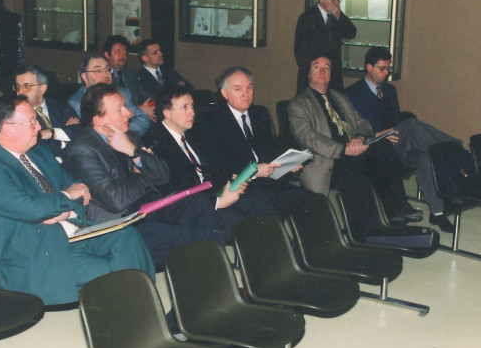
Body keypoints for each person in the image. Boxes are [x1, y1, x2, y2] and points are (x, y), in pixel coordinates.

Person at [0, 94, 154, 305]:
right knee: (117, 272)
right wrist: (64, 197)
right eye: (31, 122)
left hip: (74, 231)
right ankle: (137, 314)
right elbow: (33, 209)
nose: (38, 127)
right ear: (7, 128)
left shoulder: (40, 153)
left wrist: (60, 210)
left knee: (126, 235)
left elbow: (80, 188)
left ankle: (143, 309)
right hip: (36, 251)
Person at [62, 84, 228, 265]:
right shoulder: (82, 150)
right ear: (99, 120)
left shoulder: (128, 137)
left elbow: (163, 175)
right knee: (183, 235)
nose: (129, 113)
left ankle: (218, 271)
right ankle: (208, 276)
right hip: (119, 221)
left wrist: (132, 150)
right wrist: (140, 175)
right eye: (120, 109)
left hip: (146, 206)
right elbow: (116, 200)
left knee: (197, 203)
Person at [288, 56, 421, 223]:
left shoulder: (340, 97)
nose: (322, 71)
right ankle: (367, 225)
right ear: (308, 73)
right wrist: (344, 149)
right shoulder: (298, 104)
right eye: (317, 67)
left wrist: (359, 137)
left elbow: (362, 123)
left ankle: (397, 207)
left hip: (356, 149)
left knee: (384, 148)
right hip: (329, 159)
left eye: (327, 68)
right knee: (357, 168)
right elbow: (309, 138)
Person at [344, 46, 460, 232]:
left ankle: (437, 213)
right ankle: (456, 151)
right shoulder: (351, 93)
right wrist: (378, 135)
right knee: (412, 124)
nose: (385, 73)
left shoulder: (389, 91)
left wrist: (393, 133)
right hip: (374, 146)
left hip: (395, 142)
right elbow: (352, 128)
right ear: (368, 67)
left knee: (425, 157)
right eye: (381, 69)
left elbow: (396, 121)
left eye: (387, 69)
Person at [151, 85, 275, 237]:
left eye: (192, 106)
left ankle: (284, 252)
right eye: (184, 107)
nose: (192, 112)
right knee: (243, 224)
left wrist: (232, 181)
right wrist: (218, 202)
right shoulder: (155, 144)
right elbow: (174, 191)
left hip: (214, 193)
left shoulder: (194, 133)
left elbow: (214, 167)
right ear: (167, 113)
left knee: (258, 199)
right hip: (194, 207)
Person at [206, 66, 309, 216]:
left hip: (268, 182)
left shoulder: (260, 114)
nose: (246, 94)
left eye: (249, 88)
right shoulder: (214, 122)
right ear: (224, 93)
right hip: (240, 188)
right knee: (267, 209)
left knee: (309, 199)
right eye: (238, 89)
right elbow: (221, 168)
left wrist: (287, 163)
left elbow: (271, 148)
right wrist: (253, 172)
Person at [294, 0, 356, 93]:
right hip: (313, 77)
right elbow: (299, 52)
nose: (336, 3)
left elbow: (351, 33)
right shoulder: (307, 18)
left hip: (333, 77)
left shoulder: (336, 17)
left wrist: (339, 16)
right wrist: (314, 73)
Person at [68, 52, 151, 135]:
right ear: (85, 77)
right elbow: (86, 135)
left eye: (107, 69)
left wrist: (122, 133)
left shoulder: (122, 93)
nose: (106, 74)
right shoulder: (76, 103)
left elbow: (143, 120)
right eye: (98, 70)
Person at [14, 65, 82, 155]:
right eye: (17, 86)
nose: (20, 92)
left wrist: (50, 133)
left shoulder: (61, 106)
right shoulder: (16, 114)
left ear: (42, 88)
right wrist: (65, 138)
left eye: (26, 86)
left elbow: (80, 131)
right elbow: (38, 149)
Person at [102, 35, 157, 123]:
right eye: (118, 52)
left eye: (125, 52)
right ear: (107, 55)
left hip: (138, 118)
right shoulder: (103, 77)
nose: (122, 55)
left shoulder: (132, 73)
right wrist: (139, 109)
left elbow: (144, 94)